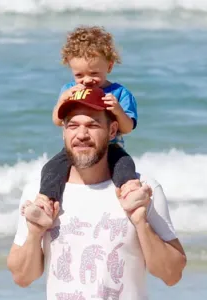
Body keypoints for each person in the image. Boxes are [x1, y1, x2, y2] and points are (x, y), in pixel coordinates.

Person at [7, 86, 187, 299]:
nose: (81, 134)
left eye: (92, 125)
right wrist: (35, 233)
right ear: (64, 131)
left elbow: (172, 274)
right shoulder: (41, 194)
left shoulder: (141, 190)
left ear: (112, 131)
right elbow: (22, 277)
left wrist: (141, 223)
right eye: (73, 125)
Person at [23, 25, 141, 227]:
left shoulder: (120, 93)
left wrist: (118, 110)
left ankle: (130, 192)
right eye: (79, 75)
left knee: (124, 164)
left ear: (109, 66)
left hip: (109, 146)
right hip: (76, 148)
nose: (87, 80)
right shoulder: (69, 89)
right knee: (52, 167)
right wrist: (62, 101)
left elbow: (128, 127)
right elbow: (57, 120)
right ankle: (45, 202)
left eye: (94, 73)